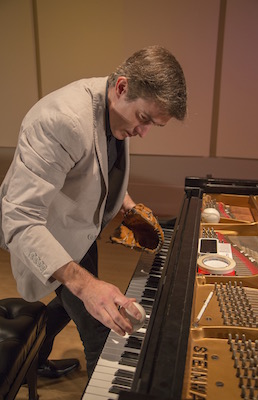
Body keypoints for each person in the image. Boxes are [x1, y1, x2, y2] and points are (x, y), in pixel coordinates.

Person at [0, 45, 187, 380]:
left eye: (153, 125)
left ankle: (34, 358)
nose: (143, 132)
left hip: (80, 232)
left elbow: (93, 167)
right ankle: (107, 382)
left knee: (72, 304)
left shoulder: (113, 106)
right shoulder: (60, 121)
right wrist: (86, 286)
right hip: (48, 237)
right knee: (100, 324)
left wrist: (127, 206)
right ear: (122, 87)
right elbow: (19, 219)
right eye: (144, 119)